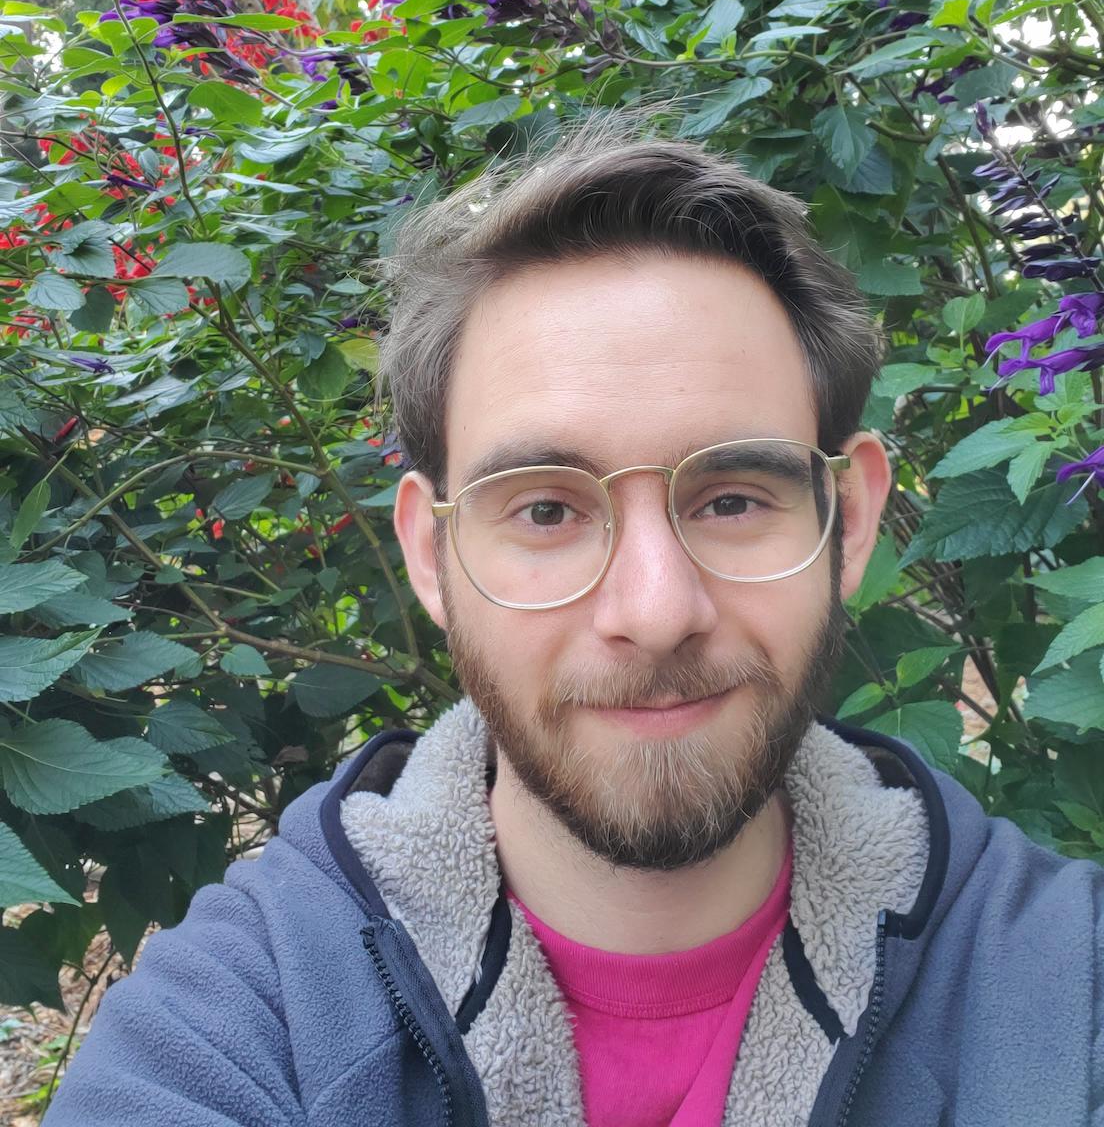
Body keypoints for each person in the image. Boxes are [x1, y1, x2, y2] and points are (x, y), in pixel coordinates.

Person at [44, 128, 1102, 1127]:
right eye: (546, 509)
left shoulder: (1067, 985)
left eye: (733, 497)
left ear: (852, 518)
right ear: (430, 554)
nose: (654, 611)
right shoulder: (234, 1031)